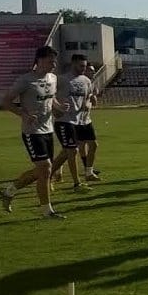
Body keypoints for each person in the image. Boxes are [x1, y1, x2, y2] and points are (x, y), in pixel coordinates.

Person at [0, 46, 66, 218]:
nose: (54, 64)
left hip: (48, 130)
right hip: (32, 132)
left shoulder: (53, 78)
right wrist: (23, 114)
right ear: (40, 60)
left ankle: (9, 191)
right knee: (46, 167)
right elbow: (6, 102)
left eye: (55, 60)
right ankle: (47, 211)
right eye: (51, 60)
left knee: (44, 171)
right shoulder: (25, 80)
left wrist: (60, 107)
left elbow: (51, 100)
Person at [49, 55, 92, 193]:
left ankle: (47, 176)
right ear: (73, 64)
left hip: (78, 122)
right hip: (64, 121)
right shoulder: (61, 79)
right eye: (81, 66)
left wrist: (86, 102)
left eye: (84, 66)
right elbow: (49, 96)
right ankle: (76, 184)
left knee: (65, 154)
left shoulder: (86, 81)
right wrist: (56, 108)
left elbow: (88, 96)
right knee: (72, 151)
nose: (83, 69)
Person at [75, 62, 101, 181]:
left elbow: (94, 103)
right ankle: (55, 171)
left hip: (86, 120)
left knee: (93, 144)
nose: (92, 72)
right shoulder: (78, 83)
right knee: (72, 149)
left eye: (93, 70)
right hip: (76, 121)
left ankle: (88, 171)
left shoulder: (92, 85)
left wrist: (93, 97)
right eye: (90, 70)